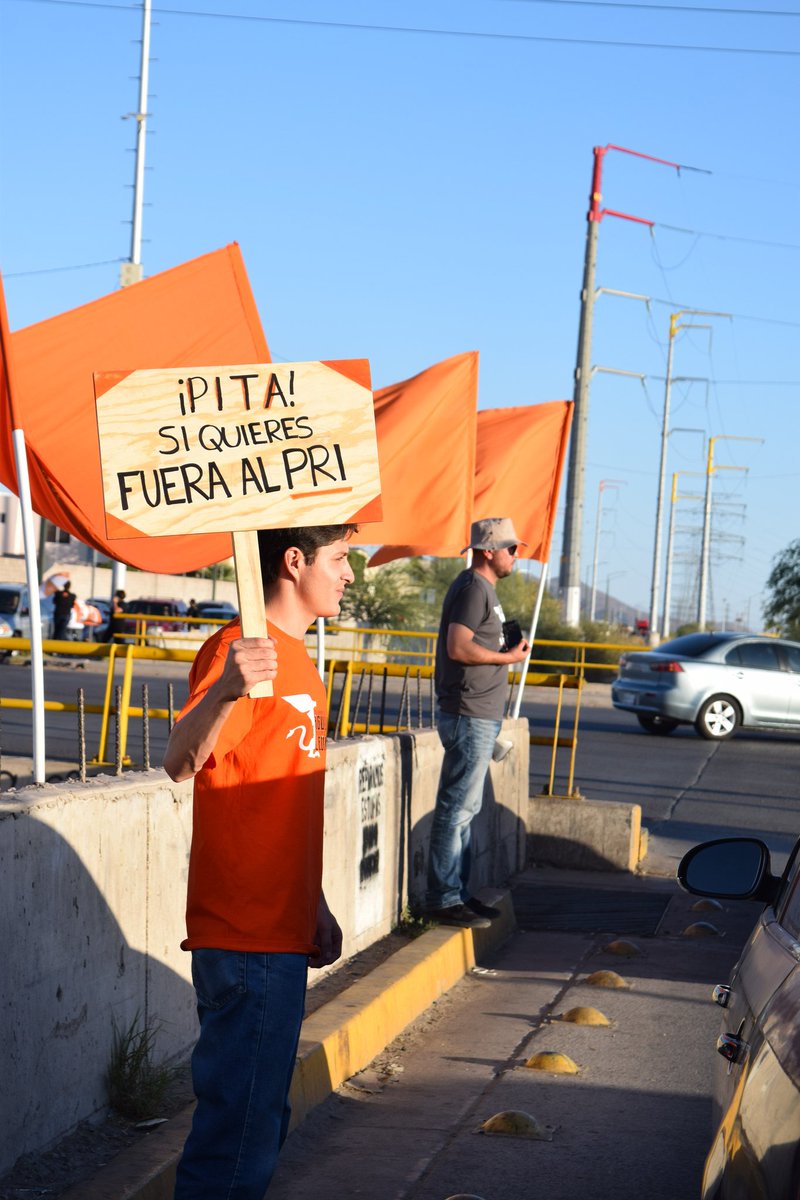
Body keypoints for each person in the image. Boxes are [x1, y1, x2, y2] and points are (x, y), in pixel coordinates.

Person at [163, 524, 356, 1200]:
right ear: (294, 561)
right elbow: (179, 761)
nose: (350, 574)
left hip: (281, 928)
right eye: (340, 559)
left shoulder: (299, 659)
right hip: (245, 932)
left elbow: (279, 794)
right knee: (236, 1141)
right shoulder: (240, 649)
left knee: (256, 1126)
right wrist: (225, 691)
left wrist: (317, 902)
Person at [424, 517, 531, 930]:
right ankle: (443, 898)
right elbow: (458, 646)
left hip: (478, 714)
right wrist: (508, 658)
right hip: (468, 713)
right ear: (489, 550)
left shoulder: (484, 591)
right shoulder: (472, 588)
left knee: (466, 808)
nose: (516, 557)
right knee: (456, 808)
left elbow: (475, 642)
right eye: (511, 549)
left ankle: (458, 893)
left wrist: (504, 649)